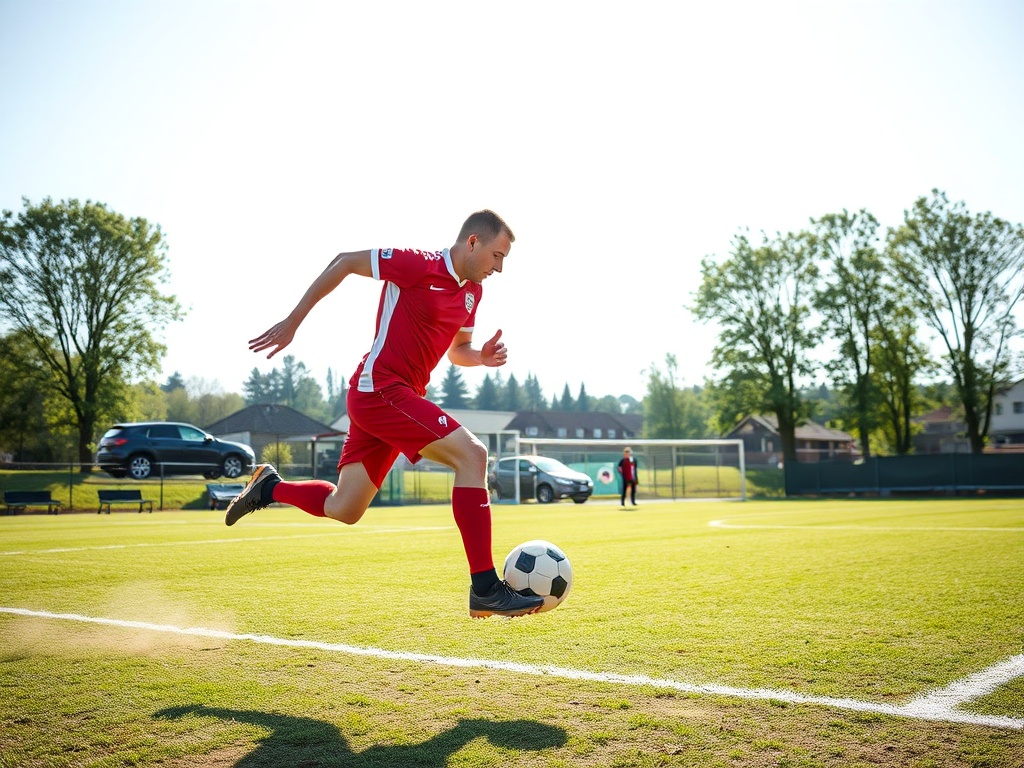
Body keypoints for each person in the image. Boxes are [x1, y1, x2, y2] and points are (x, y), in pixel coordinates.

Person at [224, 210, 543, 619]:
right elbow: (344, 262)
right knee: (474, 456)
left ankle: (268, 488)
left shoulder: (472, 293)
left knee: (345, 508)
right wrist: (293, 322)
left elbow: (456, 351)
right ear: (473, 242)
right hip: (379, 390)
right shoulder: (416, 264)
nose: (499, 268)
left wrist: (479, 357)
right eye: (497, 255)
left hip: (395, 399)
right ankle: (485, 587)